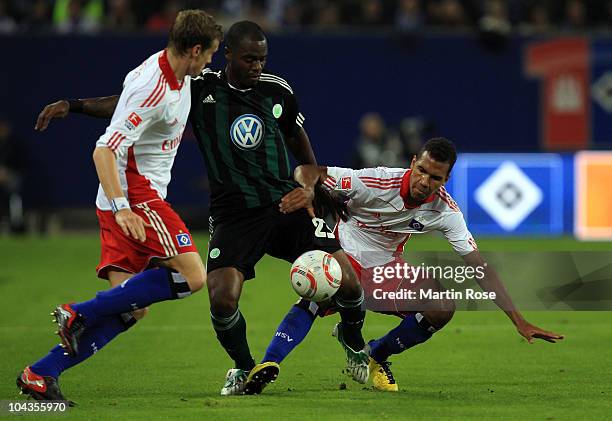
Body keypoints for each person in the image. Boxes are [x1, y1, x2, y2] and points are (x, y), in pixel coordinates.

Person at [27, 20, 369, 397]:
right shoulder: (198, 88)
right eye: (249, 58)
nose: (257, 66)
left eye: (262, 59)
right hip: (229, 214)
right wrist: (75, 106)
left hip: (283, 203)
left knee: (348, 279)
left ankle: (352, 340)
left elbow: (297, 137)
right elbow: (125, 107)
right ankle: (242, 367)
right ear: (226, 56)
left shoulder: (277, 90)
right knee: (217, 295)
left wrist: (312, 186)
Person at [17, 10, 222, 403]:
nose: (212, 61)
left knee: (131, 308)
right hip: (135, 193)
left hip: (123, 197)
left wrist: (73, 106)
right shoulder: (155, 85)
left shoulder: (166, 74)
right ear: (195, 50)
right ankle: (79, 311)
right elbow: (104, 150)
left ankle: (40, 373)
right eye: (211, 53)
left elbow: (124, 108)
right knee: (194, 276)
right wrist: (123, 207)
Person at [251, 137, 564, 393]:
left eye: (435, 177)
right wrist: (308, 189)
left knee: (442, 307)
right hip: (345, 254)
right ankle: (269, 363)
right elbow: (309, 170)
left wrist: (518, 321)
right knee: (317, 291)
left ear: (446, 179)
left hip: (386, 269)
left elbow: (478, 267)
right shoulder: (374, 181)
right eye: (422, 171)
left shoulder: (445, 211)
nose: (425, 181)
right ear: (413, 162)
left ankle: (377, 355)